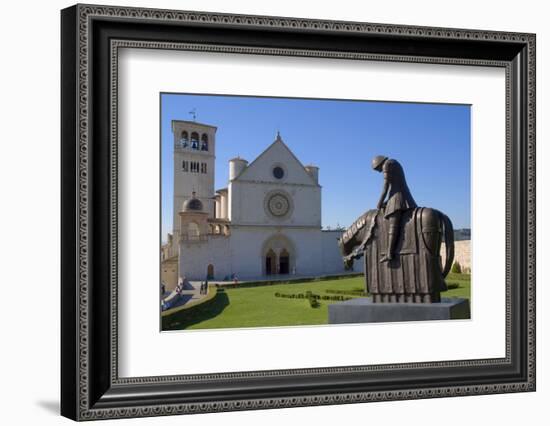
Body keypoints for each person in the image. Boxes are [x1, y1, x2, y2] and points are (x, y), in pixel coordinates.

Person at [372, 156, 417, 262]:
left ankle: (389, 253)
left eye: (378, 169)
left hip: (398, 197)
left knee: (393, 223)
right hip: (398, 195)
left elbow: (385, 187)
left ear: (379, 164)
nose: (380, 171)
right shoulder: (393, 163)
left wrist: (379, 203)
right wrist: (386, 202)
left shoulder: (387, 164)